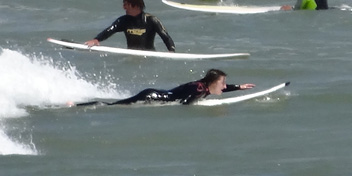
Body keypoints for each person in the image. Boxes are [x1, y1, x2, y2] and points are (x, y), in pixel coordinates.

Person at [74, 69, 255, 106]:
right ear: (213, 83)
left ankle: (78, 104)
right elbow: (184, 104)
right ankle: (76, 105)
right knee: (111, 106)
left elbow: (222, 89)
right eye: (222, 83)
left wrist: (239, 87)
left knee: (116, 104)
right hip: (151, 97)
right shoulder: (200, 91)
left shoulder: (203, 86)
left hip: (153, 93)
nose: (224, 86)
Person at [85, 0, 175, 52]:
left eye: (126, 4)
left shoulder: (151, 20)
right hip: (131, 55)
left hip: (148, 56)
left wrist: (172, 52)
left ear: (136, 5)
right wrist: (96, 39)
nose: (124, 7)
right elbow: (109, 30)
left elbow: (166, 37)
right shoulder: (124, 20)